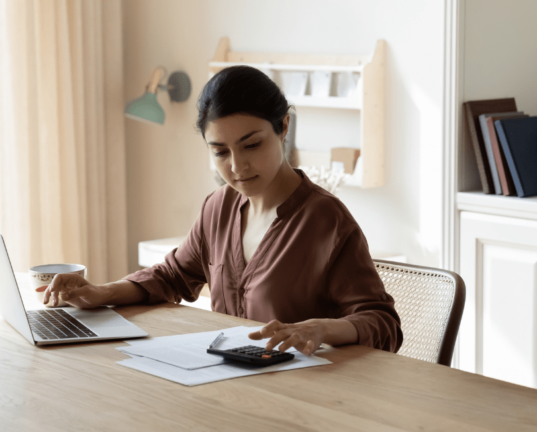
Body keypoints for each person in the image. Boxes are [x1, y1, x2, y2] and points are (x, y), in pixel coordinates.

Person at [43, 66, 403, 355]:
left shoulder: (327, 221)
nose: (237, 166)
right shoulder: (218, 207)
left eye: (252, 145)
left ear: (283, 128)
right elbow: (171, 276)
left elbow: (383, 324)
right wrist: (102, 293)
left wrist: (321, 328)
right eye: (220, 152)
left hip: (305, 401)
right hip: (226, 387)